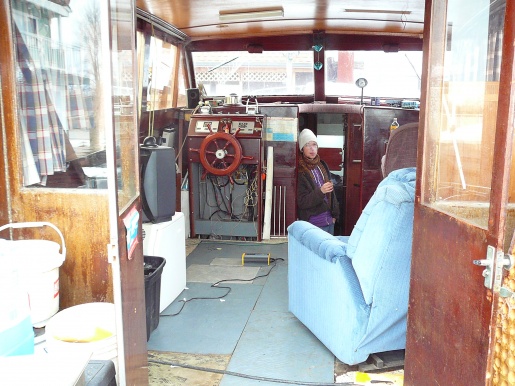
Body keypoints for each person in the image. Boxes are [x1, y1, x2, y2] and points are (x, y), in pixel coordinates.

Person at [297, 128, 339, 235]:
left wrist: (335, 216)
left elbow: (332, 194)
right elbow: (302, 202)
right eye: (307, 145)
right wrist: (321, 191)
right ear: (302, 148)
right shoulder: (300, 171)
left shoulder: (322, 165)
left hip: (329, 222)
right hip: (314, 224)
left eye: (314, 144)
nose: (312, 148)